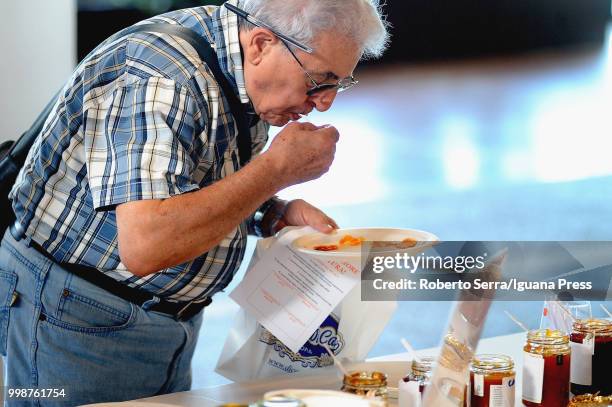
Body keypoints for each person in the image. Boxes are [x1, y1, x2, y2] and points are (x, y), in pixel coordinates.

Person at [0, 0, 389, 405]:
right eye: (319, 79)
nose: (325, 102)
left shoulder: (241, 63)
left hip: (154, 318)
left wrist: (270, 212)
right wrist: (276, 169)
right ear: (260, 44)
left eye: (339, 83)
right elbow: (148, 244)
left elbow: (195, 183)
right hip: (78, 315)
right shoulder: (162, 80)